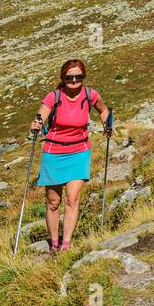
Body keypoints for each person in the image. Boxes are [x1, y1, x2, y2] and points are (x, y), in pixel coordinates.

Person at [29, 59, 112, 253]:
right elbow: (40, 116)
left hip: (79, 152)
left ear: (83, 77)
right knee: (53, 202)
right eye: (69, 77)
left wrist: (107, 124)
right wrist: (36, 124)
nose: (74, 80)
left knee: (72, 199)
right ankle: (54, 243)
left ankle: (66, 244)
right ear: (63, 78)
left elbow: (104, 110)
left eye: (78, 77)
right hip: (54, 153)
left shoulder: (90, 95)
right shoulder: (54, 96)